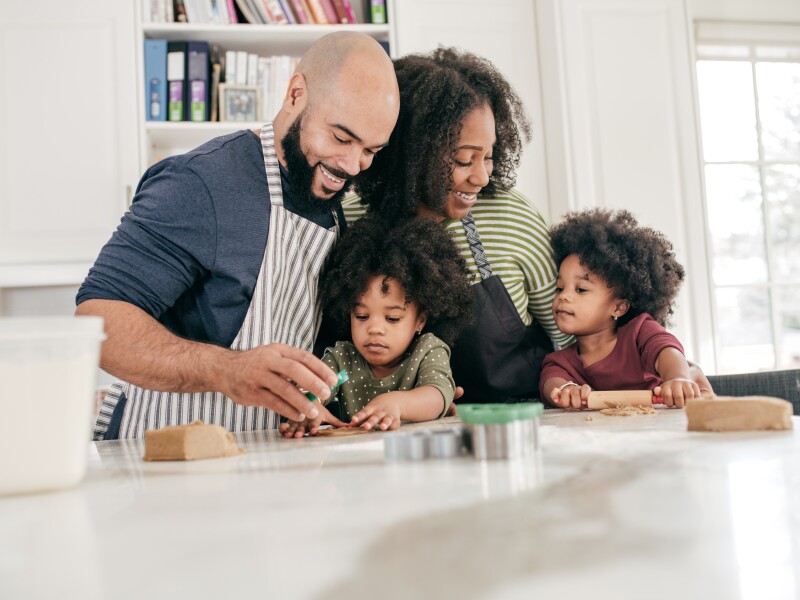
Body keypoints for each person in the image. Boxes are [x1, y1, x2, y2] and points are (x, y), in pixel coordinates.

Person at [76, 32, 400, 440]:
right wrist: (226, 369)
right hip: (160, 458)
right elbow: (97, 323)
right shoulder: (201, 182)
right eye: (341, 138)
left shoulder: (331, 203)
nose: (353, 165)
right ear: (296, 94)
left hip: (261, 462)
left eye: (371, 150)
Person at [342, 48, 573, 404]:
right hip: (391, 435)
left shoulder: (512, 217)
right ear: (413, 153)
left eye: (489, 156)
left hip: (510, 429)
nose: (481, 177)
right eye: (464, 159)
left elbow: (576, 336)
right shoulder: (352, 219)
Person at [280, 216, 473, 437]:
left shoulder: (428, 351)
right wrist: (309, 408)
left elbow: (437, 396)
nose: (374, 329)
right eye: (361, 316)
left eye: (392, 318)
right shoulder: (342, 358)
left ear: (420, 320)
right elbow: (315, 390)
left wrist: (397, 404)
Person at [540, 208, 702, 409]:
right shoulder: (559, 362)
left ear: (618, 307)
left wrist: (677, 378)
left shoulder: (639, 332)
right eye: (559, 288)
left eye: (580, 289)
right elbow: (551, 383)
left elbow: (667, 351)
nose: (563, 296)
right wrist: (566, 389)